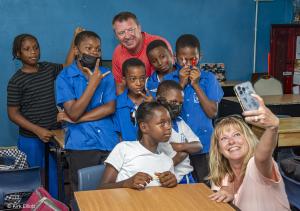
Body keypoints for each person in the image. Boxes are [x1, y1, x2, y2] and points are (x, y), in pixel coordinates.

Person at [7, 29, 79, 198]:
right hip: (31, 138)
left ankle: (55, 205)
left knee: (54, 177)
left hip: (52, 135)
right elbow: (13, 114)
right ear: (18, 54)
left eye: (36, 47)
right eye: (27, 49)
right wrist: (37, 130)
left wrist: (74, 39)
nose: (33, 52)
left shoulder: (47, 68)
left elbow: (67, 67)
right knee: (33, 180)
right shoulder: (16, 81)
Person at [55, 31, 119, 193]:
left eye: (97, 49)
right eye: (88, 48)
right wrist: (92, 85)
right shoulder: (65, 77)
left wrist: (77, 120)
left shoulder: (107, 74)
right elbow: (73, 111)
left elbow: (109, 108)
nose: (93, 52)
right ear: (76, 50)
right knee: (85, 195)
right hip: (82, 144)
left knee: (113, 193)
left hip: (109, 141)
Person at [208, 94, 290, 211]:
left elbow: (262, 157)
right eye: (224, 138)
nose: (231, 141)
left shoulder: (255, 166)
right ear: (219, 149)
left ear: (248, 139)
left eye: (237, 134)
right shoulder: (222, 176)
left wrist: (272, 128)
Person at [164, 34, 224, 182]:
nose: (188, 64)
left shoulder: (208, 79)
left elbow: (212, 112)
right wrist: (182, 84)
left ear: (200, 56)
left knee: (207, 187)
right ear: (175, 57)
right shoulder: (169, 80)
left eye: (193, 59)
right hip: (177, 146)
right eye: (183, 59)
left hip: (204, 146)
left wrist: (196, 85)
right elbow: (165, 112)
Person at [100, 102, 177, 190]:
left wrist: (172, 182)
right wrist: (126, 183)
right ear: (144, 127)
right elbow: (102, 187)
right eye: (162, 123)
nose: (168, 127)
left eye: (169, 122)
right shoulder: (124, 148)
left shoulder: (168, 160)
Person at [111, 11, 172, 95]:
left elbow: (172, 78)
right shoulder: (117, 53)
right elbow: (120, 87)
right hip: (135, 100)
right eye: (121, 33)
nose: (127, 36)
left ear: (139, 28)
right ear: (116, 36)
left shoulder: (158, 45)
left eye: (130, 30)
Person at [156, 80, 202, 184]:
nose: (177, 106)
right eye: (173, 102)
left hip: (186, 177)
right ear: (160, 101)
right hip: (166, 178)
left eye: (180, 103)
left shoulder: (180, 122)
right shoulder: (155, 126)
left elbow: (198, 146)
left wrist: (180, 146)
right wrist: (186, 149)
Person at [113, 58, 153, 142]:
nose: (138, 83)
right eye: (133, 79)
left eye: (142, 78)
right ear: (124, 80)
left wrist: (153, 106)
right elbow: (117, 133)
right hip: (127, 150)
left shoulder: (152, 99)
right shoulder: (118, 103)